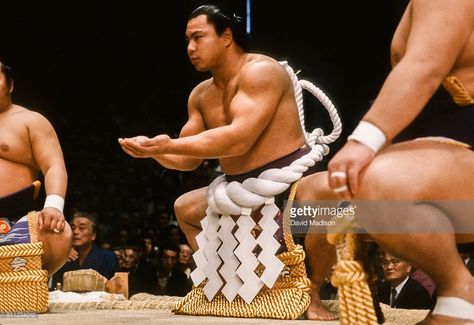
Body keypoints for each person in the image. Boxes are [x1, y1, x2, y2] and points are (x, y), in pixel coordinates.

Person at [118, 4, 335, 318]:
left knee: (332, 194)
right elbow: (187, 160)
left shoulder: (262, 71)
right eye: (187, 40)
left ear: (226, 37)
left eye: (198, 37)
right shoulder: (200, 95)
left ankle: (311, 293)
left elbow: (239, 137)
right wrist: (157, 152)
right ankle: (223, 284)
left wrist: (171, 143)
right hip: (237, 191)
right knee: (185, 208)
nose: (190, 48)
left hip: (291, 187)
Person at [320, 0, 474, 323]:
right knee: (315, 194)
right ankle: (319, 294)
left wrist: (364, 141)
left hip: (462, 148)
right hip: (434, 149)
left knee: (375, 183)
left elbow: (426, 64)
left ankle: (459, 292)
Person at [0, 58, 71, 276]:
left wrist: (54, 206)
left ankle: (25, 287)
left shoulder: (31, 121)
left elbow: (54, 165)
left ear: (10, 85)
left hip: (16, 216)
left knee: (58, 232)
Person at [52, 212, 119, 286]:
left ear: (93, 235)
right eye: (72, 228)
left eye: (82, 228)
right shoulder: (64, 256)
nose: (75, 232)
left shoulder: (107, 257)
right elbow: (56, 286)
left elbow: (109, 288)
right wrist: (61, 258)